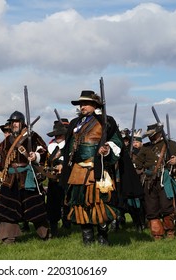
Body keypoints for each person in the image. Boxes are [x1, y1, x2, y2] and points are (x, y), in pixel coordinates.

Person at [60, 90, 123, 246]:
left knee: (100, 203)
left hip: (98, 169)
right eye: (81, 104)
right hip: (77, 171)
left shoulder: (105, 121)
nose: (83, 106)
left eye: (86, 103)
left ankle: (103, 238)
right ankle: (87, 239)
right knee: (79, 203)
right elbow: (68, 146)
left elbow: (116, 142)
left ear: (95, 105)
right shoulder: (75, 123)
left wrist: (106, 149)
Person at [0, 110, 49, 244]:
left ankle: (45, 234)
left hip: (27, 176)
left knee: (35, 207)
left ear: (22, 122)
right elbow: (2, 158)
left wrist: (35, 156)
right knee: (8, 208)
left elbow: (44, 150)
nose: (15, 124)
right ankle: (8, 238)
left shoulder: (32, 136)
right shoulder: (7, 140)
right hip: (10, 178)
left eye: (17, 122)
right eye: (13, 122)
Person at [133, 123, 176, 240]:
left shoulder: (170, 144)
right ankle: (157, 234)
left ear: (159, 134)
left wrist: (175, 160)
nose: (151, 138)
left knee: (167, 207)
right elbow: (138, 163)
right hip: (149, 181)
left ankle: (170, 231)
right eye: (150, 136)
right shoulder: (145, 147)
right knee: (151, 209)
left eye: (153, 135)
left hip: (164, 179)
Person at [45, 119, 69, 237]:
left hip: (67, 179)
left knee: (67, 203)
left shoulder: (69, 146)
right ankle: (54, 228)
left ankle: (67, 224)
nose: (58, 137)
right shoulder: (50, 147)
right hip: (53, 179)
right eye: (56, 135)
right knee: (52, 205)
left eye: (60, 134)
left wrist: (63, 166)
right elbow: (46, 161)